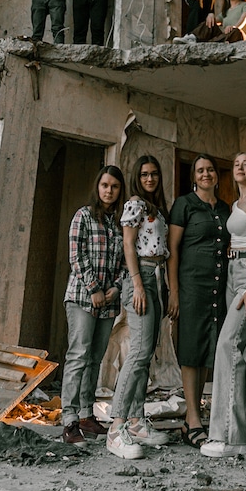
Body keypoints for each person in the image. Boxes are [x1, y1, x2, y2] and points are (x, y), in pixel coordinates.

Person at [202, 152, 246, 458]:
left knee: (228, 345)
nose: (240, 167)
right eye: (237, 163)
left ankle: (229, 436)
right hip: (232, 273)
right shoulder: (234, 205)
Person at [107, 155, 171, 460]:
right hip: (141, 276)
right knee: (138, 352)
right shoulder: (134, 204)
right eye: (144, 174)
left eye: (154, 174)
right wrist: (137, 283)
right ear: (137, 177)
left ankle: (135, 422)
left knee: (146, 354)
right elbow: (128, 245)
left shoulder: (156, 208)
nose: (150, 179)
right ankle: (115, 426)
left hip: (156, 277)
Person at [167, 153, 230, 448]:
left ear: (217, 175)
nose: (206, 174)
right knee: (191, 349)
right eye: (200, 170)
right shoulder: (184, 204)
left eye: (210, 170)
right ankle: (193, 420)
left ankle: (197, 415)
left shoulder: (226, 208)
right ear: (194, 176)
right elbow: (173, 249)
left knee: (209, 348)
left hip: (218, 286)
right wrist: (175, 292)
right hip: (192, 284)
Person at [61, 164, 126, 446]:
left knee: (95, 358)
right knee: (78, 355)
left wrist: (115, 288)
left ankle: (87, 414)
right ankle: (69, 420)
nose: (109, 191)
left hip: (108, 302)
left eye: (114, 186)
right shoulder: (84, 216)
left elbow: (126, 262)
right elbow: (76, 256)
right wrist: (94, 289)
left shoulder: (121, 222)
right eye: (104, 185)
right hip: (81, 297)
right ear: (97, 188)